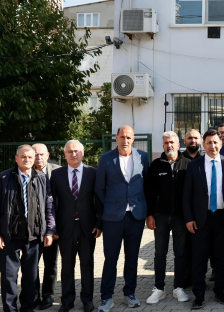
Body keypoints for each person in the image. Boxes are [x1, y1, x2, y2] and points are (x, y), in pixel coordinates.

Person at [0, 145, 56, 312]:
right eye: (23, 157)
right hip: (9, 237)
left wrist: (50, 231)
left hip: (34, 236)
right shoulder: (3, 177)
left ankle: (27, 308)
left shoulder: (42, 178)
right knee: (9, 277)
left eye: (30, 157)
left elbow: (49, 207)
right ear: (16, 158)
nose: (27, 159)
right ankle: (10, 309)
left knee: (31, 277)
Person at [95, 126, 150, 311]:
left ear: (133, 139)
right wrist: (111, 205)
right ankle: (106, 297)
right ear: (116, 138)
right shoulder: (106, 159)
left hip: (136, 216)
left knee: (132, 258)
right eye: (122, 137)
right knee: (110, 258)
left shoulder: (143, 156)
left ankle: (130, 293)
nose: (125, 140)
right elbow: (99, 188)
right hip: (113, 217)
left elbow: (147, 183)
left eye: (128, 137)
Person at [184, 130, 224, 309]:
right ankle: (199, 295)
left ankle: (220, 291)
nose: (212, 146)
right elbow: (187, 194)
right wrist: (189, 218)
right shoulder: (194, 165)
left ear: (221, 144)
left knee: (222, 258)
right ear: (203, 145)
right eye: (209, 143)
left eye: (215, 142)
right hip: (200, 219)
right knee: (199, 258)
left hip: (222, 219)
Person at [50, 140, 103, 312]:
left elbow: (99, 200)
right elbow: (51, 203)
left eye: (76, 151)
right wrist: (52, 227)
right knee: (67, 266)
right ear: (65, 154)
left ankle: (87, 300)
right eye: (70, 151)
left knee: (87, 265)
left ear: (83, 153)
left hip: (88, 227)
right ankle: (67, 301)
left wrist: (99, 223)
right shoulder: (56, 174)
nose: (73, 154)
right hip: (65, 227)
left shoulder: (93, 173)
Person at [144, 131, 192, 305]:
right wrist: (149, 215)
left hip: (181, 217)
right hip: (160, 217)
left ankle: (178, 287)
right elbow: (148, 192)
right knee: (160, 253)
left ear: (179, 144)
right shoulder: (156, 165)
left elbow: (192, 192)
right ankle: (159, 288)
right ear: (163, 145)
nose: (169, 145)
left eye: (172, 142)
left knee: (180, 253)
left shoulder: (188, 164)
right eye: (166, 143)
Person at [32, 143, 61, 310]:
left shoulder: (58, 172)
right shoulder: (25, 171)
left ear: (48, 155)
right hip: (32, 229)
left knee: (50, 264)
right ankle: (34, 295)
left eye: (41, 154)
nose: (38, 157)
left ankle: (48, 296)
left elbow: (63, 202)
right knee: (31, 264)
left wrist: (56, 228)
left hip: (52, 228)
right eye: (35, 154)